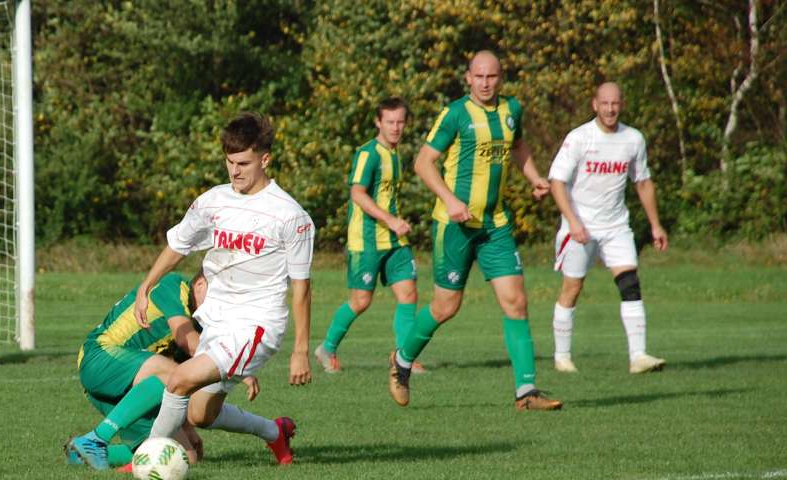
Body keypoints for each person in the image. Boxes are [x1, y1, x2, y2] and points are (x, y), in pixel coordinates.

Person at [389, 50, 562, 411]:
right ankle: (402, 360)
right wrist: (451, 201)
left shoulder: (512, 110)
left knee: (516, 302)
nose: (485, 83)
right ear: (468, 78)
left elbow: (518, 146)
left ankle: (526, 392)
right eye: (479, 77)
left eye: (492, 77)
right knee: (445, 306)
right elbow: (423, 163)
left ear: (501, 78)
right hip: (455, 227)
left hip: (495, 224)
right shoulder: (455, 115)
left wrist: (534, 177)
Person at [133, 112, 314, 446]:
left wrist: (300, 350)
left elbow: (302, 287)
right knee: (200, 413)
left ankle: (146, 455)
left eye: (243, 163)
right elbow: (179, 244)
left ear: (265, 159)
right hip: (217, 320)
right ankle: (275, 432)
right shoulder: (213, 201)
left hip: (256, 325)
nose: (235, 171)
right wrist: (147, 285)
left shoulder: (290, 215)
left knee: (178, 379)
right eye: (230, 162)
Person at [67, 271, 297, 470]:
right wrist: (239, 370)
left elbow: (180, 389)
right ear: (199, 285)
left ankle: (80, 450)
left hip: (128, 390)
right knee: (171, 374)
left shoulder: (201, 324)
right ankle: (96, 439)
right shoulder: (173, 285)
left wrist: (184, 425)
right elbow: (187, 342)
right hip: (98, 358)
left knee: (181, 457)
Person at [548, 82, 668, 374]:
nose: (610, 109)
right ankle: (562, 357)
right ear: (595, 105)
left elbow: (642, 182)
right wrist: (573, 222)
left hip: (615, 226)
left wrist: (655, 225)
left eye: (615, 103)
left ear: (621, 105)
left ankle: (638, 356)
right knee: (572, 288)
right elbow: (556, 182)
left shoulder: (633, 139)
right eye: (605, 103)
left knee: (630, 283)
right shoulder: (579, 138)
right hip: (580, 227)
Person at [314, 97, 425, 374]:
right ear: (378, 122)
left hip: (394, 240)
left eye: (400, 122)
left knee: (409, 294)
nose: (396, 127)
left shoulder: (396, 154)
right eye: (390, 122)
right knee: (361, 301)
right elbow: (357, 194)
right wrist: (391, 220)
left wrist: (394, 224)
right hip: (367, 240)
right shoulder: (369, 154)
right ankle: (326, 349)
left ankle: (404, 359)